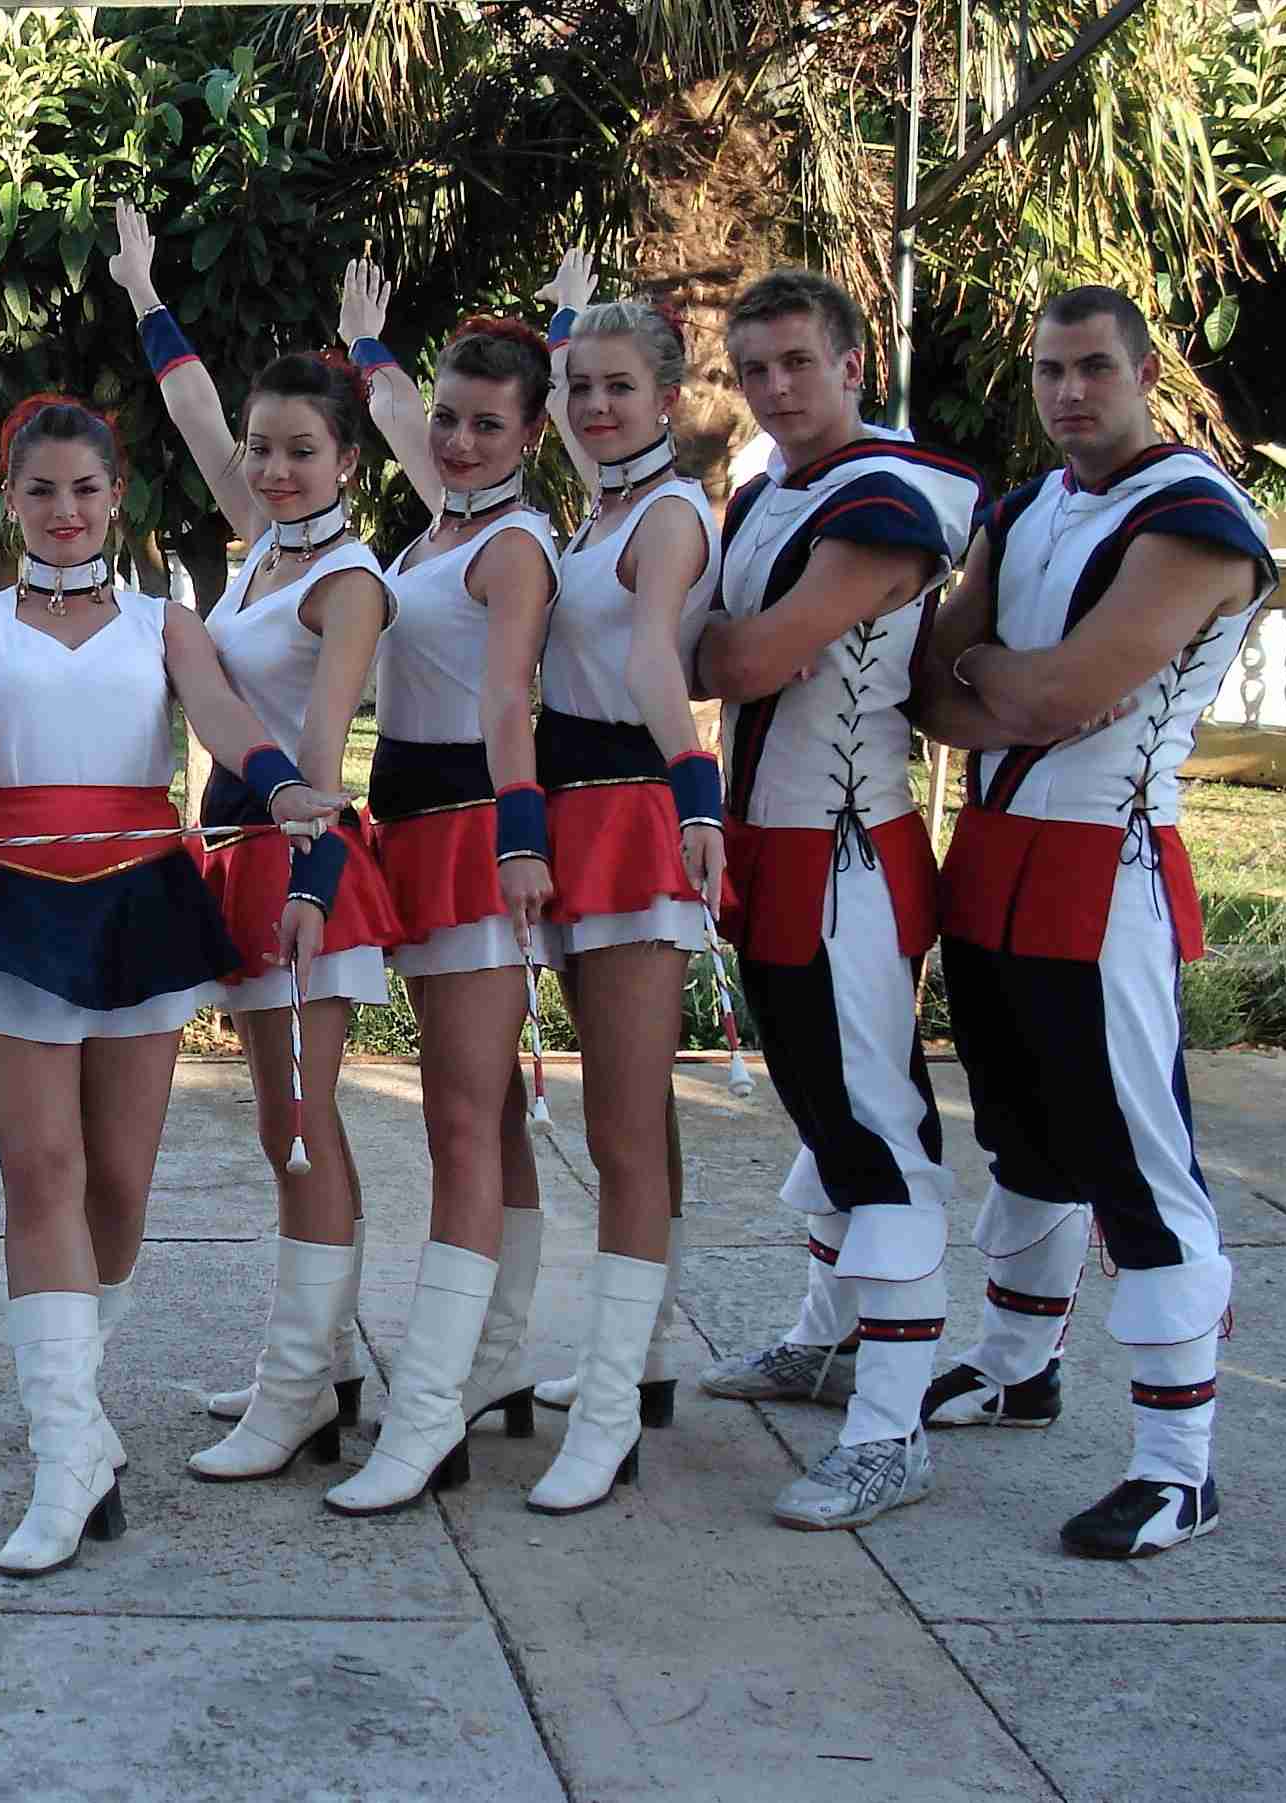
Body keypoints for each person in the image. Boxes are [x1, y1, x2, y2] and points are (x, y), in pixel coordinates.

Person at [0, 395, 344, 1565]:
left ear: (116, 497)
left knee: (118, 1181)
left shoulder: (166, 621)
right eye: (40, 490)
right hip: (7, 901)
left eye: (83, 489)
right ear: (9, 499)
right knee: (43, 1173)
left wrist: (281, 789)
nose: (63, 511)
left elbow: (222, 718)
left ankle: (79, 1412)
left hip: (142, 903)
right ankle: (62, 1450)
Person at [911, 285, 1274, 1558]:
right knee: (1019, 1135)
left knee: (1139, 1165)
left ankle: (1178, 1470)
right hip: (993, 855)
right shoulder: (1022, 509)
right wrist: (1002, 687)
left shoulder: (1192, 517)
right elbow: (928, 688)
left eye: (1093, 368)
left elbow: (1056, 695)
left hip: (1102, 865)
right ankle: (1018, 1367)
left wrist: (998, 683)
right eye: (1048, 370)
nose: (1068, 391)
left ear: (1143, 374)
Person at [106, 201, 405, 1487]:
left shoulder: (344, 581)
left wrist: (312, 886)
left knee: (298, 1124)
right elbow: (190, 415)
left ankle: (298, 1393)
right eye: (262, 450)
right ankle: (315, 1366)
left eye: (300, 452)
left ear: (349, 461)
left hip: (297, 863)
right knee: (282, 1125)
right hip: (233, 852)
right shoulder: (265, 552)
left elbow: (325, 762)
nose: (272, 470)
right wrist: (141, 290)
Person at [688, 268, 985, 1529]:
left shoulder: (889, 495)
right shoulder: (769, 493)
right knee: (821, 1112)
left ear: (852, 364)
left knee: (873, 1127)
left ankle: (890, 1430)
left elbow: (742, 655)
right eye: (752, 368)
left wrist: (690, 644)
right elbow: (732, 654)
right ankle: (829, 1342)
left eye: (796, 362)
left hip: (846, 851)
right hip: (775, 842)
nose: (772, 388)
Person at [318, 272, 564, 1516]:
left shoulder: (511, 545)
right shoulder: (437, 528)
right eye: (447, 419)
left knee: (459, 1123)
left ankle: (426, 1408)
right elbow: (397, 413)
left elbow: (507, 700)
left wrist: (519, 839)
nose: (456, 441)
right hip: (409, 829)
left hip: (474, 834)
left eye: (485, 424)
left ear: (531, 433)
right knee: (484, 1116)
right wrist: (369, 350)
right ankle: (494, 1357)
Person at [522, 251, 724, 1514]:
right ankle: (639, 1358)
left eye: (616, 388)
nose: (592, 406)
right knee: (634, 1113)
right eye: (579, 387)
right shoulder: (597, 506)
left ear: (666, 398)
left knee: (621, 1126)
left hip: (631, 810)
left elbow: (654, 659)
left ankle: (607, 1413)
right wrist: (558, 322)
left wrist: (695, 784)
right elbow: (552, 404)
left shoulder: (664, 517)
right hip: (568, 807)